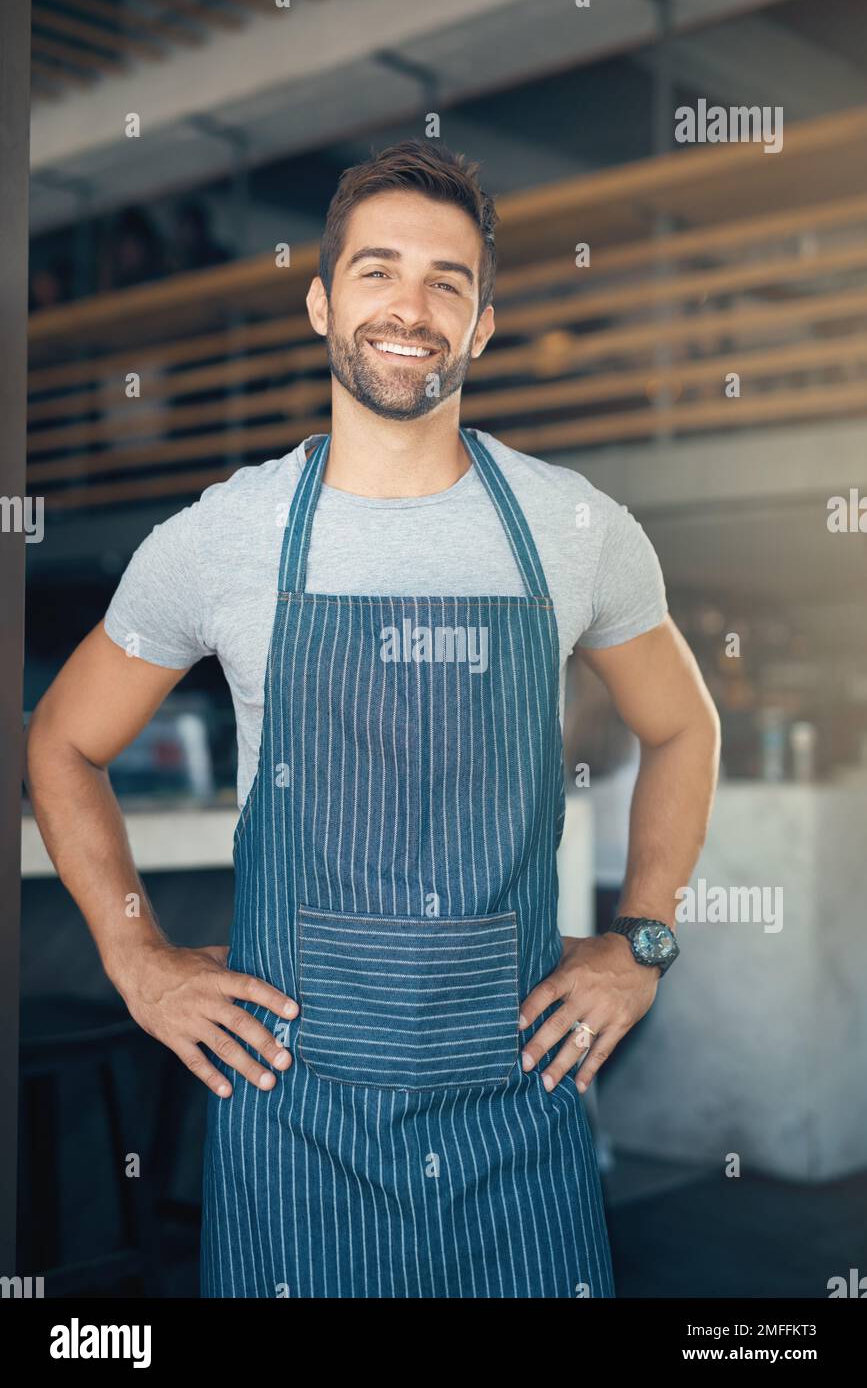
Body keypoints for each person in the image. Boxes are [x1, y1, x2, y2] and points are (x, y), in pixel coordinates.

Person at [24, 139, 720, 1300]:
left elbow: (685, 727)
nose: (412, 307)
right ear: (320, 301)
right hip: (292, 1113)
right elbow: (62, 738)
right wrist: (137, 958)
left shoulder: (572, 526)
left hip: (519, 1110)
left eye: (449, 281)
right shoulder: (222, 536)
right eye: (377, 271)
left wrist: (642, 941)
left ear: (484, 324)